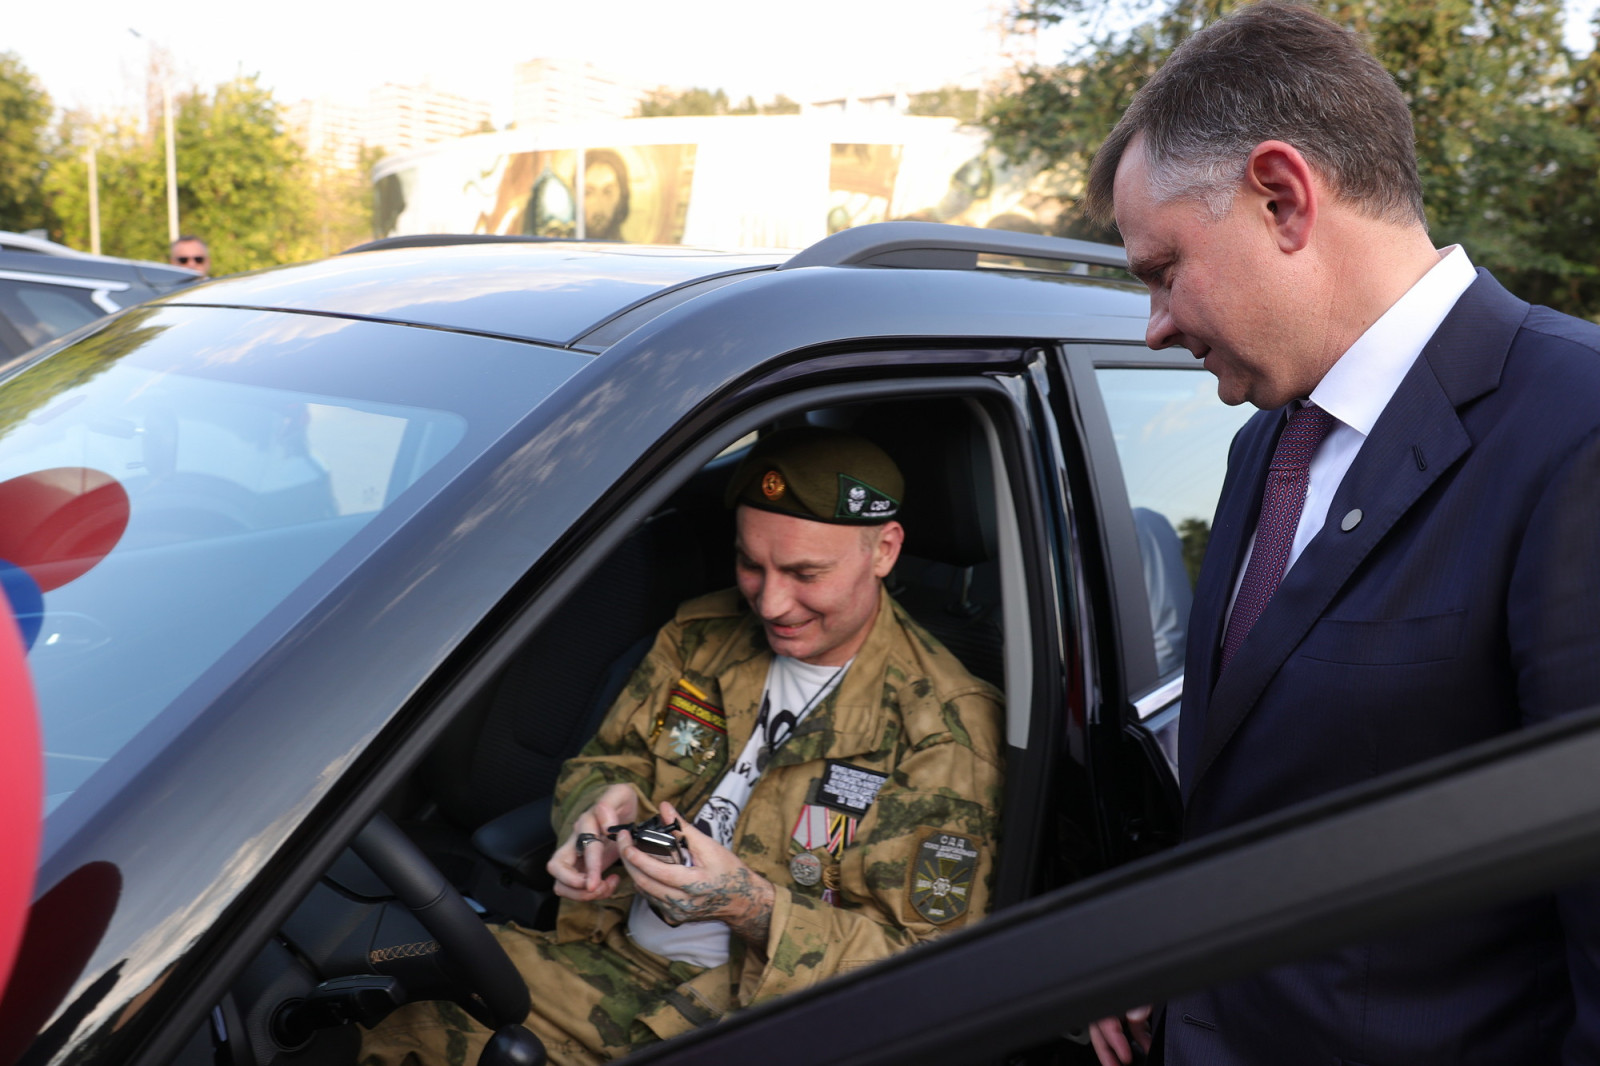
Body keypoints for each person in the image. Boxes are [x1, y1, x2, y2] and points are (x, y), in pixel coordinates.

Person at [1081, 3, 1600, 1064]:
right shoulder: (1263, 448)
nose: (1156, 325)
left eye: (1162, 269)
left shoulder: (1576, 431)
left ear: (1282, 197)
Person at [362, 426, 1004, 1065]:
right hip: (602, 956)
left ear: (884, 550)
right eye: (751, 564)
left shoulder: (943, 731)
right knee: (378, 998)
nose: (771, 602)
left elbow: (926, 970)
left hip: (749, 1021)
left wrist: (752, 907)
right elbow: (607, 762)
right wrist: (596, 810)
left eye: (805, 573)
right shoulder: (703, 634)